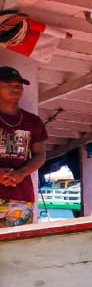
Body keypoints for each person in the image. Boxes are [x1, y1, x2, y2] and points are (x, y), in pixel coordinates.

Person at [0, 66, 46, 228]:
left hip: (22, 197)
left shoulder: (33, 121)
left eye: (18, 85)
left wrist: (22, 173)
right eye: (9, 85)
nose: (15, 89)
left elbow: (40, 155)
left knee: (17, 247)